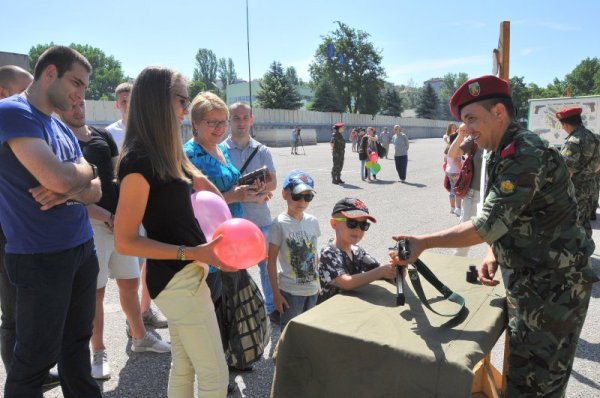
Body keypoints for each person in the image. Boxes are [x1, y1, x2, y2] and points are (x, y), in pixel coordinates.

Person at [393, 75, 598, 397]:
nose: (468, 129)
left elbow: (487, 223)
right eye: (464, 121)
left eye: (472, 118)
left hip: (553, 288)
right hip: (536, 281)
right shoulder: (506, 149)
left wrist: (424, 242)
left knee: (535, 387)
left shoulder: (524, 153)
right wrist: (493, 251)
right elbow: (514, 216)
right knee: (521, 377)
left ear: (499, 112)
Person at [114, 66, 234, 397]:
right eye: (183, 101)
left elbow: (204, 186)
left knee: (185, 364)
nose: (185, 111)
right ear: (159, 103)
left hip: (186, 273)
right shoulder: (139, 162)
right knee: (214, 372)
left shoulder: (166, 154)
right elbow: (125, 241)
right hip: (176, 277)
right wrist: (192, 253)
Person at [0, 46, 102, 397]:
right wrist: (77, 178)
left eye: (85, 87)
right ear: (49, 73)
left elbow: (96, 190)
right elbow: (59, 179)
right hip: (40, 257)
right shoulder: (13, 112)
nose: (80, 94)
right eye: (76, 82)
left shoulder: (57, 124)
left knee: (76, 347)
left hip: (81, 249)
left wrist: (78, 180)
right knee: (34, 361)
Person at [56, 100, 170, 381]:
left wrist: (125, 211)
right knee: (96, 292)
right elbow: (67, 192)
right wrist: (108, 215)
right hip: (91, 224)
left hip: (119, 221)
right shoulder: (58, 141)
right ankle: (98, 351)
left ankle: (140, 337)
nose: (77, 107)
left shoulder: (101, 135)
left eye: (80, 102)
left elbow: (120, 175)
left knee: (130, 283)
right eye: (70, 103)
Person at [0, 65, 62, 389]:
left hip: (26, 234)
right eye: (25, 90)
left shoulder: (33, 126)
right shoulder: (9, 120)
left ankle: (29, 373)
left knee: (27, 312)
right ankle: (21, 377)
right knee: (13, 313)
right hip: (8, 235)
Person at [184, 92, 266, 303]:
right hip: (208, 241)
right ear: (195, 123)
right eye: (212, 122)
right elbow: (191, 204)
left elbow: (229, 184)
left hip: (231, 238)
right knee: (214, 304)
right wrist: (232, 196)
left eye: (223, 122)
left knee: (233, 304)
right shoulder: (189, 155)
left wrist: (249, 192)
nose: (220, 128)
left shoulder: (221, 149)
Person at [106, 81, 165, 330]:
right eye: (123, 100)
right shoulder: (111, 133)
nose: (127, 104)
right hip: (127, 206)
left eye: (131, 99)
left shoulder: (147, 131)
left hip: (150, 205)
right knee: (132, 265)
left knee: (149, 259)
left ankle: (145, 309)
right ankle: (134, 321)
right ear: (117, 104)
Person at [223, 102, 279, 324]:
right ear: (230, 121)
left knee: (267, 267)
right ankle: (239, 312)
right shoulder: (219, 151)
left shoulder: (262, 150)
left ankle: (272, 307)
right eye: (236, 118)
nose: (241, 122)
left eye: (245, 117)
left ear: (252, 120)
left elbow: (273, 182)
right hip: (233, 222)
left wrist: (261, 188)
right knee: (236, 270)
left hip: (260, 219)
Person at [267, 171, 321, 329]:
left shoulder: (313, 221)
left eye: (308, 197)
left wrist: (317, 284)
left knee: (309, 329)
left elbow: (314, 253)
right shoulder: (279, 224)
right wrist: (276, 295)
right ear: (284, 194)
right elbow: (270, 262)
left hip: (311, 289)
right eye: (297, 196)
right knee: (291, 331)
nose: (302, 201)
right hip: (290, 292)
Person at [318, 198, 397, 302]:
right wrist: (380, 272)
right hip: (331, 312)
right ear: (334, 223)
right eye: (352, 223)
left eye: (363, 225)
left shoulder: (357, 251)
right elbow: (346, 282)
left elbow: (385, 274)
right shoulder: (329, 252)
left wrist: (398, 265)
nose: (358, 229)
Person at [556, 106, 600, 238]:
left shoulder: (573, 141)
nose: (563, 129)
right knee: (584, 220)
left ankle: (576, 253)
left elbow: (566, 171)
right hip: (590, 187)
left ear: (566, 124)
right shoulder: (595, 137)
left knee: (572, 222)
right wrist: (589, 173)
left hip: (576, 190)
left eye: (563, 125)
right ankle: (586, 249)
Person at [447, 122, 484, 257]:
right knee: (465, 232)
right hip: (473, 194)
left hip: (496, 193)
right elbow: (452, 154)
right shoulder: (474, 138)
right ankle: (457, 263)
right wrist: (461, 135)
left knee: (498, 234)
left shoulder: (500, 138)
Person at [105, 82, 131, 150]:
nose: (128, 106)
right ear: (117, 105)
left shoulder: (145, 131)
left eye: (131, 101)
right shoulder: (109, 133)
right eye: (124, 102)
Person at [445, 131, 462, 216]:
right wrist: (462, 170)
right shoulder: (456, 149)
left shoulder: (448, 148)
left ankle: (452, 207)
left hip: (449, 171)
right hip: (455, 172)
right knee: (457, 191)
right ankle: (458, 208)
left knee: (452, 190)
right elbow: (457, 161)